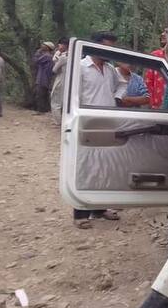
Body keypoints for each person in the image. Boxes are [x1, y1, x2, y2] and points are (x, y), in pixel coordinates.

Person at [74, 31, 123, 228]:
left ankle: (99, 208)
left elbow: (120, 86)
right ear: (94, 46)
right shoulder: (81, 67)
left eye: (112, 48)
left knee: (104, 165)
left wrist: (117, 98)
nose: (109, 51)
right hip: (88, 122)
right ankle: (80, 212)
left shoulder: (110, 70)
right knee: (85, 167)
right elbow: (73, 95)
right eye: (106, 47)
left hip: (108, 121)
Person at [145, 29, 168, 109]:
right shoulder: (155, 55)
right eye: (163, 32)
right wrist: (153, 104)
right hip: (158, 107)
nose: (162, 34)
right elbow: (148, 82)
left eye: (167, 32)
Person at [51, 38, 69, 125]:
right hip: (69, 82)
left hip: (61, 80)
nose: (59, 47)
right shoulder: (75, 56)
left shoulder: (63, 57)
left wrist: (58, 53)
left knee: (56, 102)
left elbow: (54, 69)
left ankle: (58, 121)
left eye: (60, 45)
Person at [33, 41, 55, 113]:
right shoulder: (50, 56)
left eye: (44, 45)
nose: (42, 46)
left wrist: (37, 52)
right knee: (44, 94)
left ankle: (41, 110)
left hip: (42, 78)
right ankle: (46, 109)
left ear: (47, 48)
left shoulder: (46, 56)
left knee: (40, 94)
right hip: (46, 78)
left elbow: (36, 61)